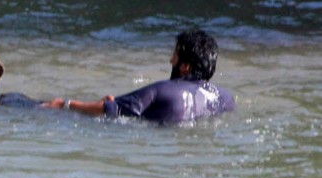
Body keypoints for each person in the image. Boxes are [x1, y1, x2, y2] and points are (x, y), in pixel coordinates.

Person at [45, 30, 235, 123]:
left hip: (161, 145)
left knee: (20, 102)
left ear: (185, 66)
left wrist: (66, 104)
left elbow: (111, 109)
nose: (171, 61)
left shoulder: (164, 90)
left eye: (175, 56)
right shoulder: (226, 99)